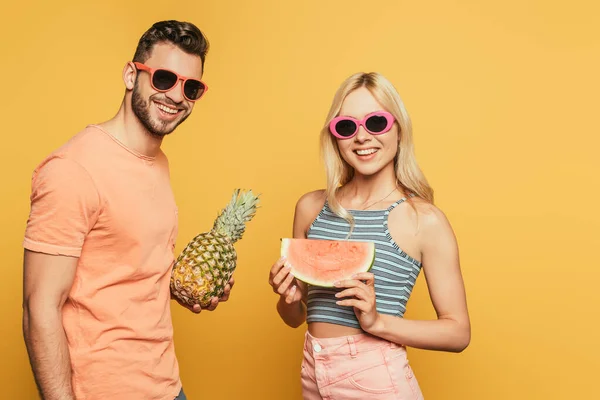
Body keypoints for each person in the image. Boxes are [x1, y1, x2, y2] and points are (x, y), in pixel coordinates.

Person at [21, 20, 233, 400]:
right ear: (131, 74)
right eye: (164, 79)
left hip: (166, 384)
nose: (176, 96)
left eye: (191, 87)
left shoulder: (157, 162)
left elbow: (121, 274)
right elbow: (40, 308)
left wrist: (186, 287)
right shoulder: (73, 170)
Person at [268, 72, 471, 399]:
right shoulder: (310, 208)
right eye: (347, 126)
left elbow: (458, 332)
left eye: (376, 123)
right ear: (335, 137)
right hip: (312, 372)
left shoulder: (424, 220)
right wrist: (288, 299)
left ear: (398, 130)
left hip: (376, 377)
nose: (361, 137)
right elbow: (297, 317)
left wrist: (377, 322)